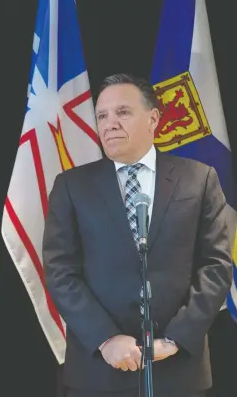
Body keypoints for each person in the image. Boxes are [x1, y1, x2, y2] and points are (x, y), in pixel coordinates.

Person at [43, 74, 232, 397]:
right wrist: (106, 339)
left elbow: (215, 267)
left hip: (177, 369)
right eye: (102, 115)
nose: (110, 123)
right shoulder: (72, 186)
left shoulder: (198, 180)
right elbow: (60, 272)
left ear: (153, 119)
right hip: (99, 371)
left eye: (123, 112)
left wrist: (173, 340)